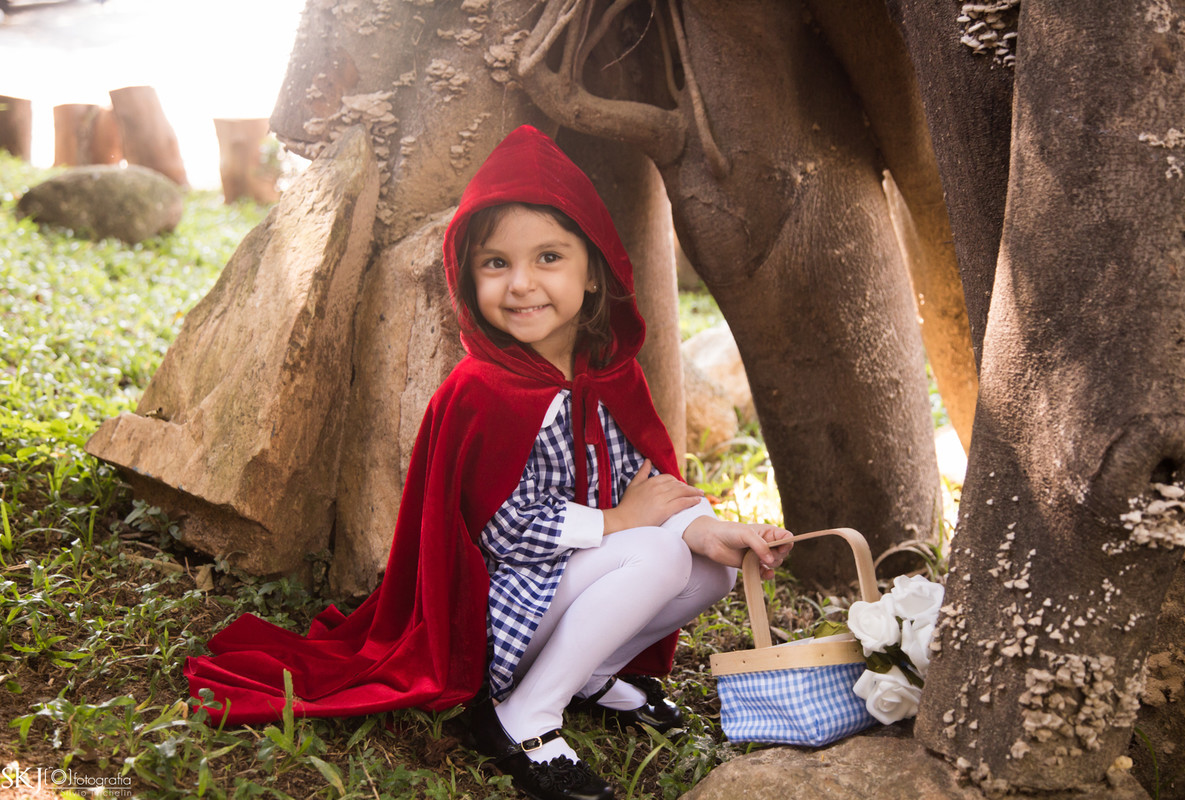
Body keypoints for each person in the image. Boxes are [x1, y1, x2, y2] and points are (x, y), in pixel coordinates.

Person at [185, 125, 792, 800]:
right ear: (466, 277)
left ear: (594, 273)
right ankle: (522, 717)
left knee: (706, 563)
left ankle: (588, 676)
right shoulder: (482, 388)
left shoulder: (608, 377)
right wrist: (620, 522)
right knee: (654, 557)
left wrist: (709, 528)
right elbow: (502, 528)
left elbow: (649, 486)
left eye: (549, 258)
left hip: (574, 594)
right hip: (496, 614)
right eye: (495, 263)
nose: (521, 284)